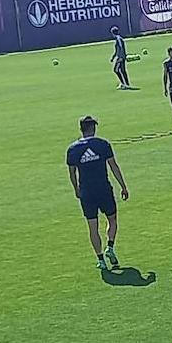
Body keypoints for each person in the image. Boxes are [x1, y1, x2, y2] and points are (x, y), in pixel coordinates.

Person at [66, 115, 129, 271]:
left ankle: (100, 259)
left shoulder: (73, 149)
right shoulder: (102, 144)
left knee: (92, 226)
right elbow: (113, 166)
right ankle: (110, 246)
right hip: (104, 189)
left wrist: (76, 189)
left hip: (87, 192)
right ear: (93, 128)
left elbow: (72, 173)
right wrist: (123, 186)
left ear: (81, 129)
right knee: (112, 219)